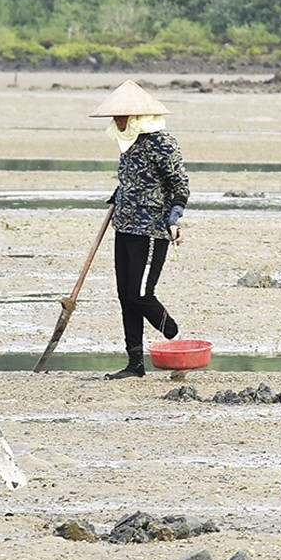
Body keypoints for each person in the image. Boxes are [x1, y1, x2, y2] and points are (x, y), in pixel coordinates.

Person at [92, 80, 190, 379]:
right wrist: (118, 196)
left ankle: (171, 331)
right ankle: (135, 364)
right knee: (125, 295)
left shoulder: (162, 143)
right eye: (116, 118)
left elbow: (180, 185)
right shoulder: (128, 144)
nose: (119, 122)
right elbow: (133, 181)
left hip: (151, 230)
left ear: (138, 118)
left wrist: (174, 219)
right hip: (124, 228)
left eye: (123, 117)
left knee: (140, 294)